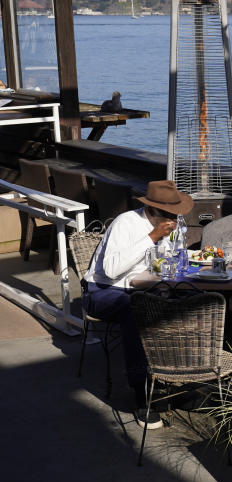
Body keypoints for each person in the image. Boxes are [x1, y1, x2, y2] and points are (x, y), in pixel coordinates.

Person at [84, 179, 193, 429]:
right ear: (152, 210)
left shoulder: (169, 227)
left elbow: (164, 264)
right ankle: (142, 393)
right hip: (103, 290)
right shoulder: (126, 223)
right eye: (169, 214)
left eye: (176, 215)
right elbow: (110, 271)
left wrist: (172, 247)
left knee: (191, 303)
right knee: (135, 310)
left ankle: (179, 380)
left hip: (143, 288)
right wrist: (152, 237)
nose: (174, 219)